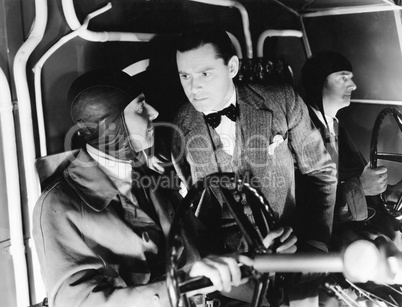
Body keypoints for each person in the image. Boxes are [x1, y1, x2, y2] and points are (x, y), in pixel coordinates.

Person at [33, 69, 296, 307]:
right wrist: (179, 285)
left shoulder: (153, 182)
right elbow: (76, 302)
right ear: (109, 124)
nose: (154, 113)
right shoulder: (58, 204)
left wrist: (253, 258)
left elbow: (199, 260)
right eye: (140, 107)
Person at [170, 23, 338, 305]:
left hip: (292, 252)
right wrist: (213, 263)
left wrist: (316, 242)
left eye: (205, 74)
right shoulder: (178, 126)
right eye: (184, 76)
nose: (193, 87)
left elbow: (321, 173)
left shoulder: (282, 100)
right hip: (232, 273)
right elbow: (189, 210)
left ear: (232, 67)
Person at [301, 50, 402, 306]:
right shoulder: (302, 130)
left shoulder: (334, 125)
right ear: (318, 81)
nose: (353, 85)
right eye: (343, 77)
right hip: (321, 242)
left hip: (353, 231)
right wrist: (362, 189)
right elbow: (307, 206)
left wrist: (385, 192)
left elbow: (353, 178)